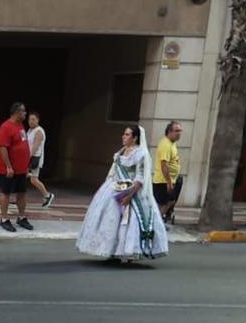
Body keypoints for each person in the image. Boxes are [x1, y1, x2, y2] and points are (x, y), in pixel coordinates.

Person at [76, 123, 170, 265]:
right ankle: (113, 251)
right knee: (110, 221)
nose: (123, 137)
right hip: (115, 189)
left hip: (133, 192)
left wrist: (129, 195)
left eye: (127, 135)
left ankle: (129, 251)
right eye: (124, 134)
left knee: (130, 222)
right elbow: (113, 172)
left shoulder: (141, 153)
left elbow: (140, 177)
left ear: (135, 138)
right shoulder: (121, 152)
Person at [0, 100, 33, 234]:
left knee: (21, 193)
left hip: (22, 169)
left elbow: (23, 146)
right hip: (9, 169)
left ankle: (21, 217)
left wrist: (26, 167)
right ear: (17, 112)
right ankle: (4, 219)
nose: (25, 113)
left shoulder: (21, 126)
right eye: (23, 111)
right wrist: (9, 167)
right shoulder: (6, 127)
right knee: (6, 193)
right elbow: (3, 148)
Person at [153, 120, 185, 220]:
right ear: (169, 132)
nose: (179, 134)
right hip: (163, 181)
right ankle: (156, 222)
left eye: (180, 131)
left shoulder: (172, 143)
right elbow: (164, 164)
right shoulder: (165, 144)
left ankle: (158, 220)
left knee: (170, 201)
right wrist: (169, 182)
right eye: (176, 131)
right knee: (165, 202)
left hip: (170, 180)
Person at [25, 109, 55, 209]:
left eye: (33, 119)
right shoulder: (29, 130)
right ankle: (47, 195)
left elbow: (35, 146)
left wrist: (28, 158)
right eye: (29, 119)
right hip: (29, 157)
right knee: (32, 179)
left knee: (33, 179)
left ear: (38, 120)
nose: (31, 121)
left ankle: (48, 195)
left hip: (35, 158)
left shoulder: (39, 131)